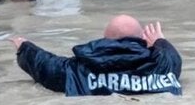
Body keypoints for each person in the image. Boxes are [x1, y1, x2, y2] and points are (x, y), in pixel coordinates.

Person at [11, 15, 183, 96]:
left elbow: (47, 67)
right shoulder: (161, 65)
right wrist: (161, 43)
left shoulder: (78, 69)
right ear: (143, 41)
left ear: (104, 41)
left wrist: (25, 48)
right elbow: (174, 61)